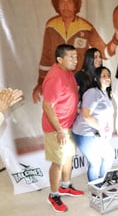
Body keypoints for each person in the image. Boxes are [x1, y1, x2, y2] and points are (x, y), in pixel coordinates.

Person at [32, 0, 118, 104]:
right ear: (56, 4)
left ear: (76, 4)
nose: (65, 6)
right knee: (58, 114)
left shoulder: (86, 27)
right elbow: (45, 58)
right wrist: (40, 82)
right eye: (62, 2)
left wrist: (117, 38)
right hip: (57, 82)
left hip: (78, 83)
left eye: (69, 2)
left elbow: (104, 52)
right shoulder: (51, 26)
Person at [42, 44, 83, 213]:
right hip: (56, 128)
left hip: (68, 125)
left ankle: (66, 186)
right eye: (71, 57)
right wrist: (59, 130)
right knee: (58, 162)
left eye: (76, 56)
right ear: (60, 59)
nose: (75, 60)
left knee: (68, 157)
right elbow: (48, 106)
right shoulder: (55, 77)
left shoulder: (68, 73)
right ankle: (53, 194)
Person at [72, 66, 115, 182]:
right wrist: (100, 129)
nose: (107, 78)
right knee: (95, 161)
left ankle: (103, 182)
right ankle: (96, 189)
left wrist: (109, 130)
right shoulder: (92, 92)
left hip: (95, 133)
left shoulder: (105, 93)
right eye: (104, 76)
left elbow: (109, 114)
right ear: (96, 79)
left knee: (109, 155)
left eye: (108, 75)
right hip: (84, 133)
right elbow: (86, 115)